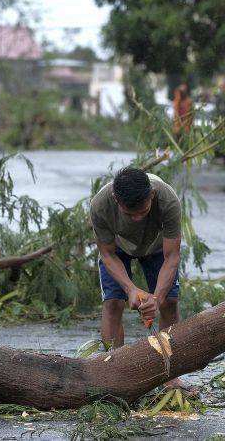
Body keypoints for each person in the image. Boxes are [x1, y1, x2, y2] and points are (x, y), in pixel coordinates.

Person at [90, 166, 190, 391]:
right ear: (116, 200)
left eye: (142, 212)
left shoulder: (167, 199)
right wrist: (130, 290)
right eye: (129, 214)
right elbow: (107, 253)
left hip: (156, 248)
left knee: (170, 304)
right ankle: (113, 373)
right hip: (118, 249)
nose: (136, 219)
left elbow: (172, 255)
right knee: (113, 304)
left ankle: (170, 376)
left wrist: (157, 298)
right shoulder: (100, 205)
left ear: (151, 195)